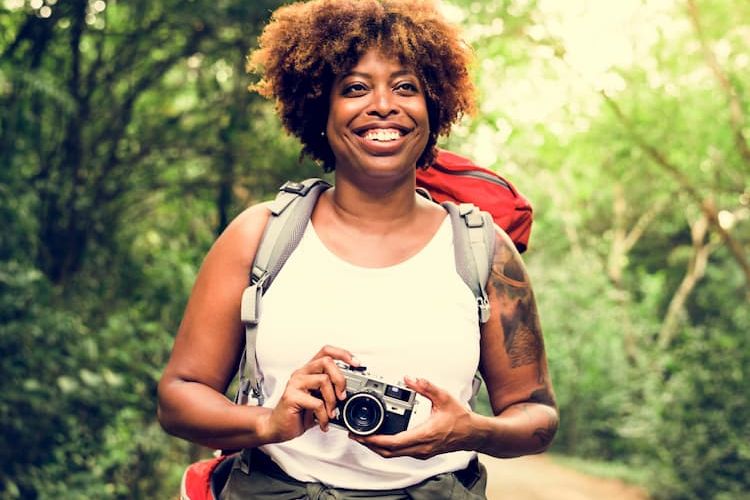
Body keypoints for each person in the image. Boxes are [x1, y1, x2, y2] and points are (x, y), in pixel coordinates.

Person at [157, 0, 558, 498]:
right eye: (354, 88)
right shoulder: (260, 236)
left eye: (406, 86)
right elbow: (178, 398)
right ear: (318, 110)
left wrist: (470, 430)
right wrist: (268, 422)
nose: (384, 104)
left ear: (435, 107)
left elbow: (538, 417)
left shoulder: (484, 251)